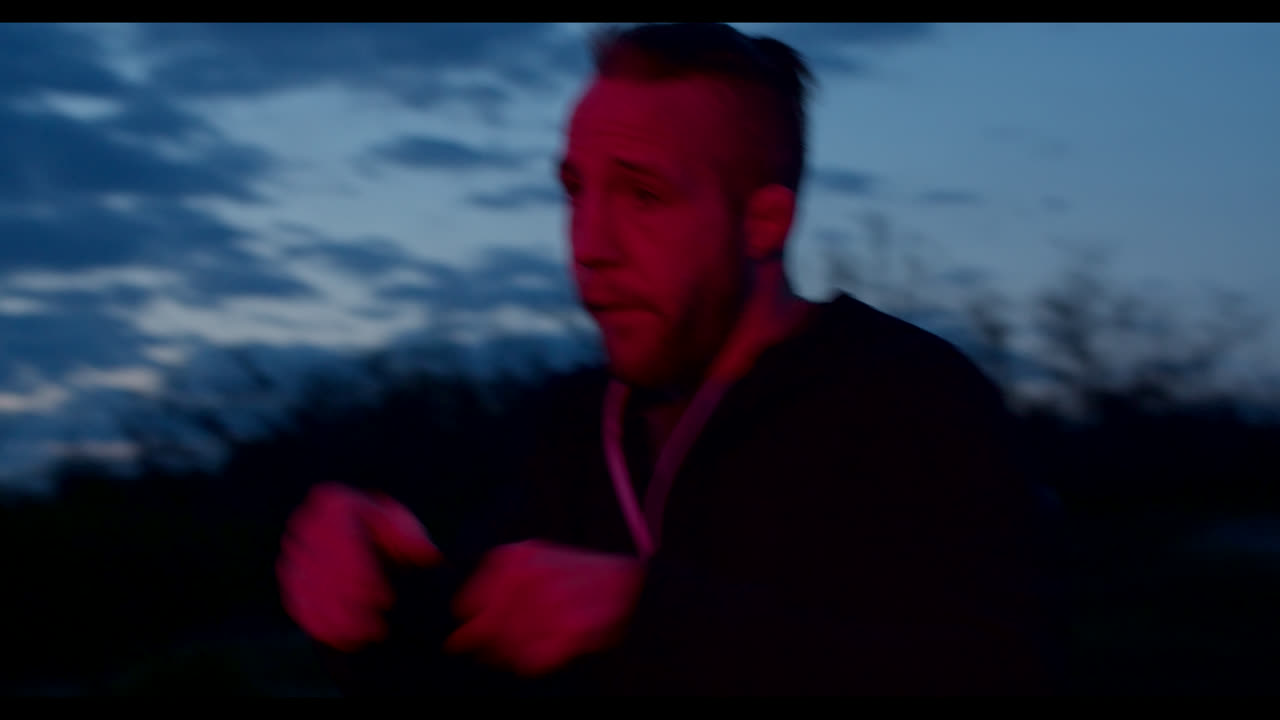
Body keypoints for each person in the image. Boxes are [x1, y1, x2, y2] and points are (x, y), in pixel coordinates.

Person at [276, 22, 1068, 695]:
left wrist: (646, 616)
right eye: (575, 191)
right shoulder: (576, 424)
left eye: (643, 197)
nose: (590, 247)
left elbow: (997, 668)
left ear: (764, 222)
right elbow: (474, 661)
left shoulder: (908, 396)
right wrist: (379, 593)